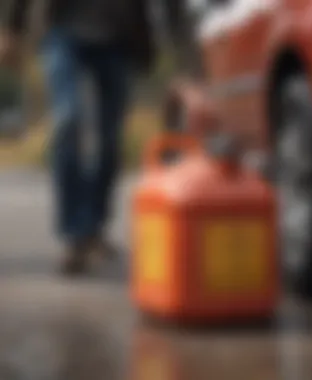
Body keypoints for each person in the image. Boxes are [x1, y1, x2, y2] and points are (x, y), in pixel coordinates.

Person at [0, 0, 187, 275]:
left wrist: (183, 64)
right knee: (68, 119)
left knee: (110, 137)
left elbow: (173, 8)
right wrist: (12, 29)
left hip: (118, 40)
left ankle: (94, 227)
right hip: (64, 33)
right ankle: (76, 234)